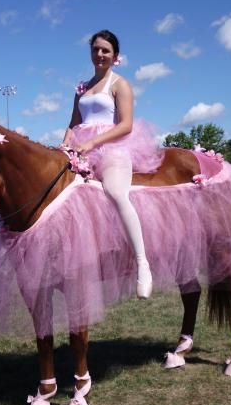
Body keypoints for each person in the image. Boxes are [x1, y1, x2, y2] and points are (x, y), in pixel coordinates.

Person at [63, 29, 161, 299]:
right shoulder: (81, 88)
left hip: (113, 147)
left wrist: (93, 143)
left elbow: (126, 125)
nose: (100, 54)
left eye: (105, 50)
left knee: (116, 193)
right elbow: (73, 124)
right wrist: (64, 146)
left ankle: (143, 263)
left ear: (115, 56)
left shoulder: (119, 84)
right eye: (95, 49)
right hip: (80, 151)